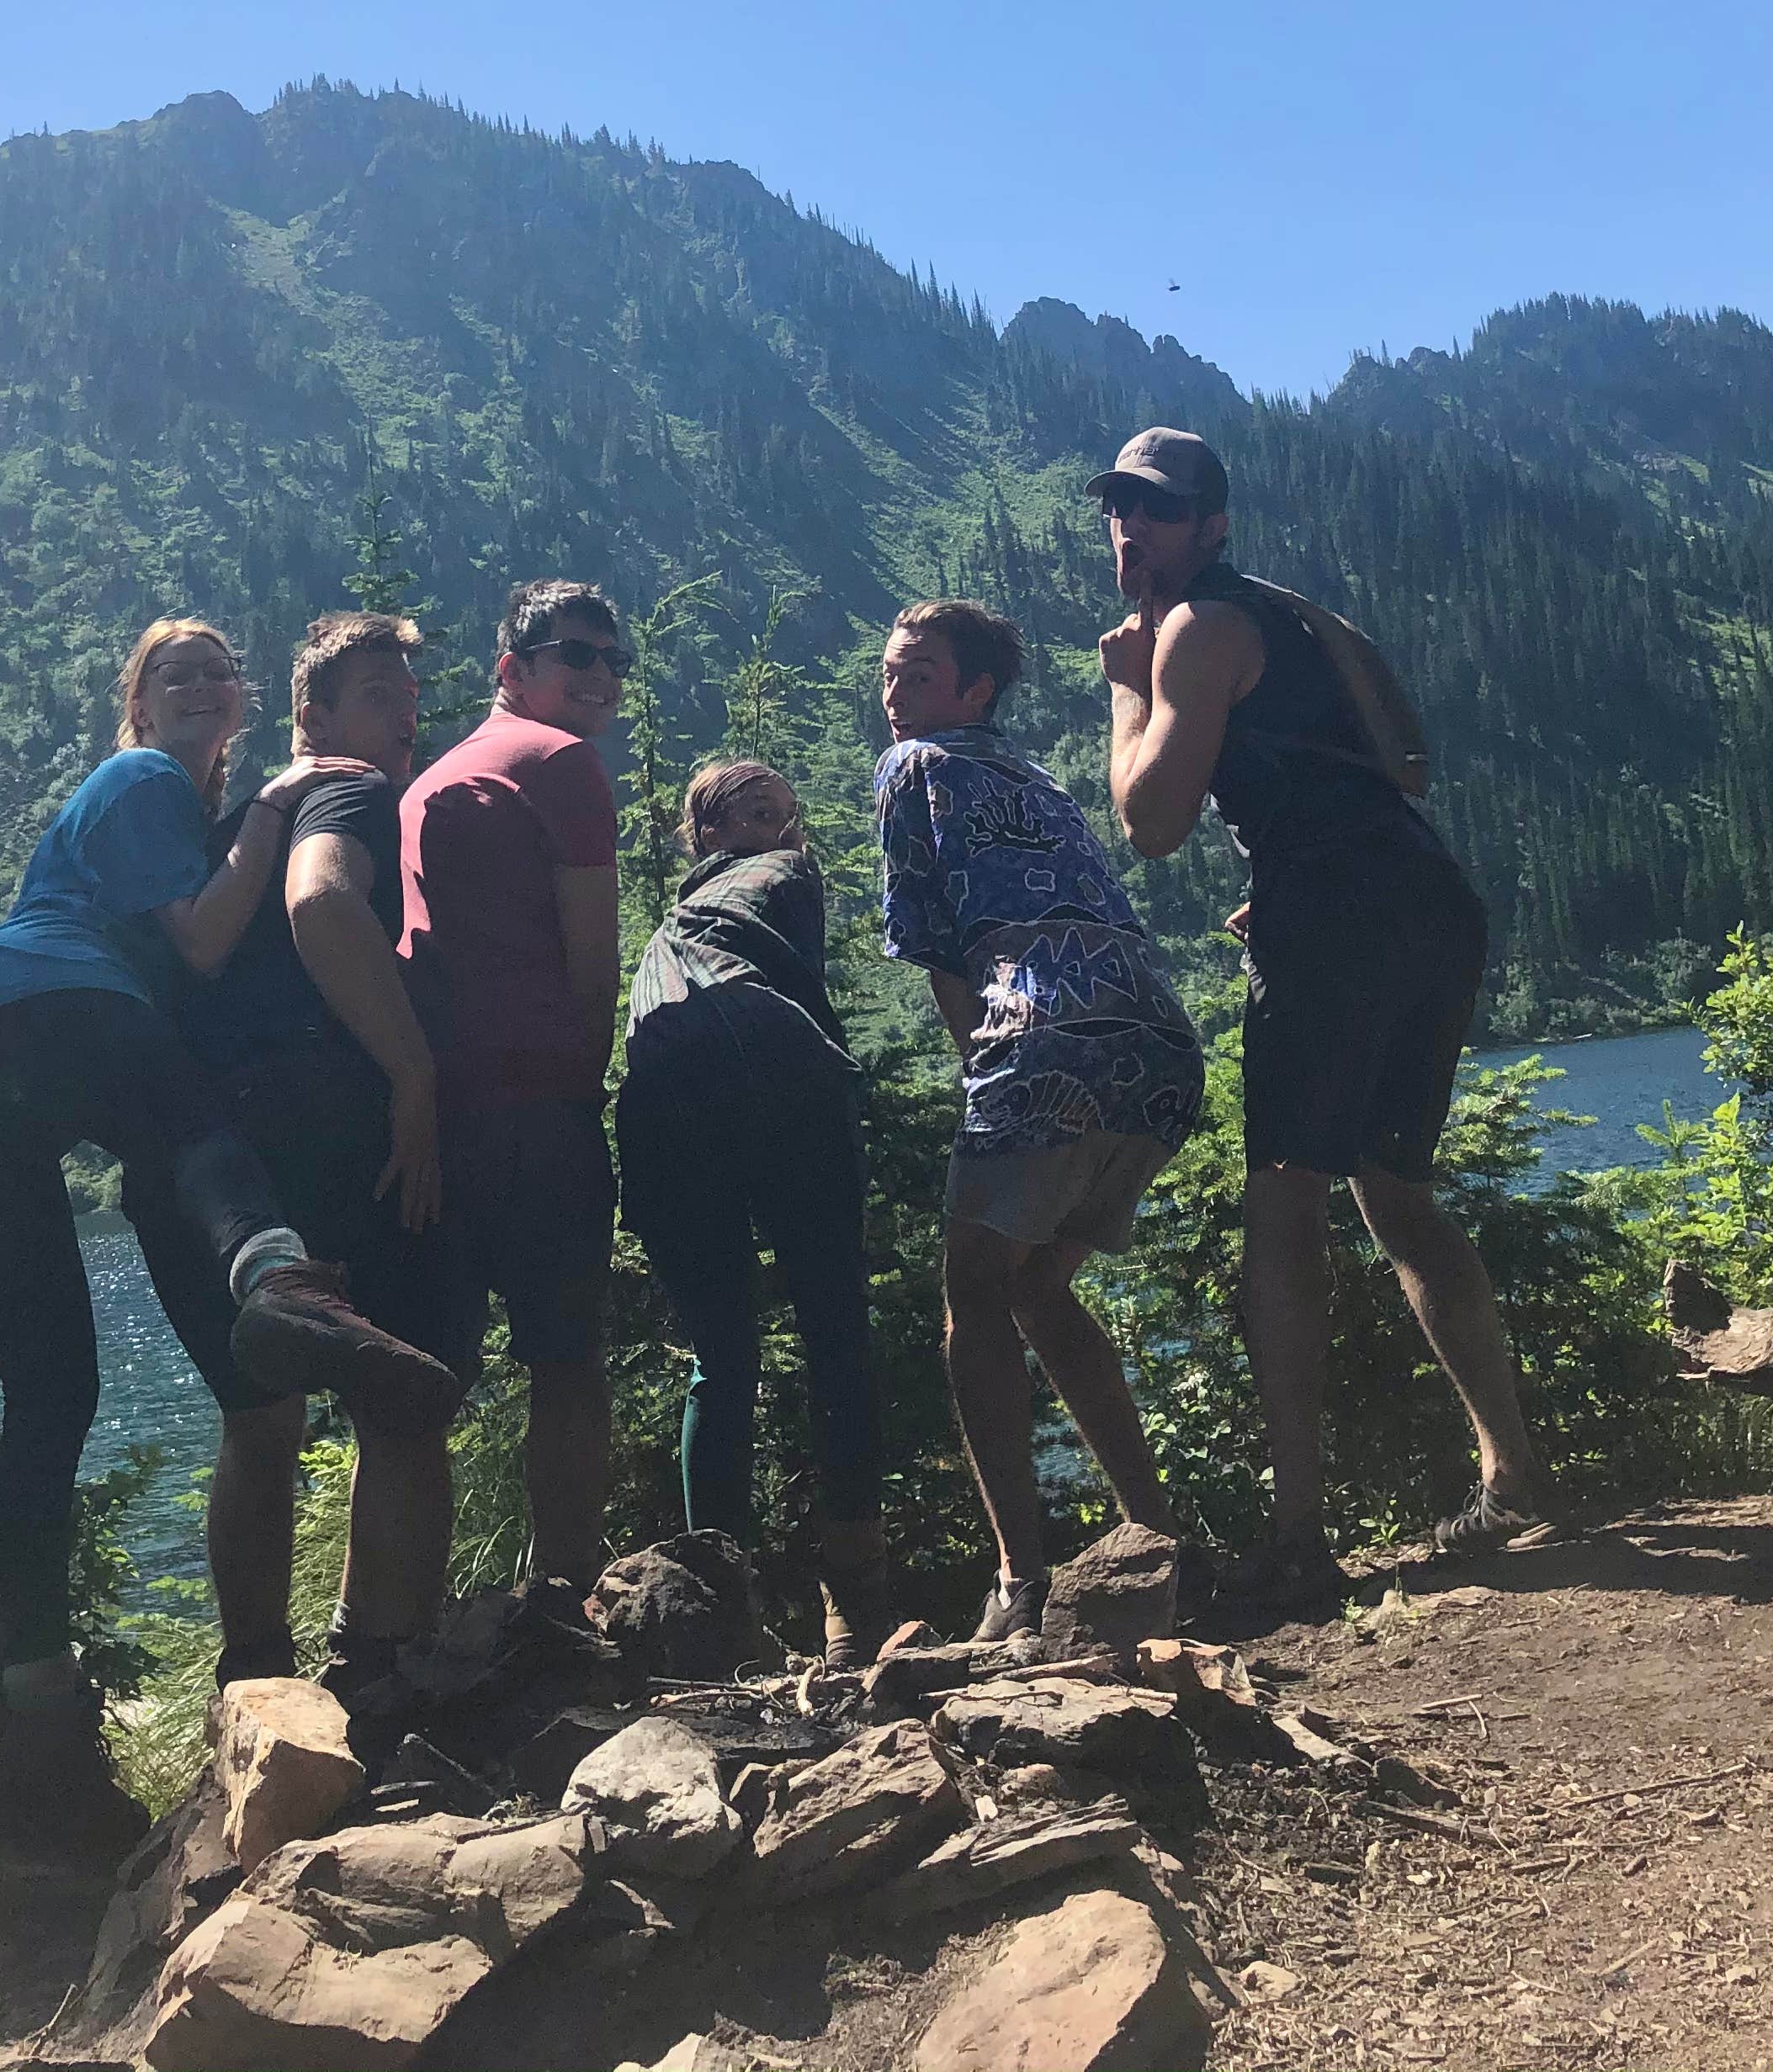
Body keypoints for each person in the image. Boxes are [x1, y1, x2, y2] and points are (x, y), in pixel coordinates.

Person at [0, 618, 459, 1839]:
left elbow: (214, 924)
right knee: (190, 1127)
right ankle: (282, 1279)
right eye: (172, 671)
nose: (200, 681)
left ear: (248, 701)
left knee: (52, 1395)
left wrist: (253, 818)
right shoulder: (147, 779)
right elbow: (201, 945)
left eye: (217, 668)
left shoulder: (186, 826)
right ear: (137, 708)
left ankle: (37, 1713)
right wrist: (281, 803)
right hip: (40, 1001)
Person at [1093, 427, 1546, 1613]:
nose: (1131, 529)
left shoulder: (1196, 631)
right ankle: (1515, 1472)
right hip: (1424, 903)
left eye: (1158, 510)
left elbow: (1150, 821)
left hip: (1341, 916)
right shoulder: (1291, 618)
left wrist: (1126, 689)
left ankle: (1300, 1535)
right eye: (1118, 509)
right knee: (1396, 1187)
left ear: (1213, 524)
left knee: (1284, 1197)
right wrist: (1298, 876)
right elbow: (1384, 766)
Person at [876, 599, 1205, 1647]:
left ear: (974, 691)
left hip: (1045, 1033)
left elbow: (935, 945)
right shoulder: (1035, 775)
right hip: (1157, 1044)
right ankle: (1155, 1539)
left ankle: (1021, 1580)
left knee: (972, 1294)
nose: (896, 691)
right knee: (1034, 1286)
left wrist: (986, 1067)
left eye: (920, 672)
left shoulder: (912, 767)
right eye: (890, 671)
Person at [167, 610, 458, 1707]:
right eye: (378, 695)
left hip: (238, 1158)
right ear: (314, 717)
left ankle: (256, 1678)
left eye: (410, 698)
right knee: (413, 1391)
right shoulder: (347, 791)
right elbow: (324, 900)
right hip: (350, 1128)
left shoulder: (243, 822)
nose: (403, 719)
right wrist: (414, 1073)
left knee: (261, 1412)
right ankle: (382, 1669)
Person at [618, 759, 889, 1666]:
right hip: (760, 1087)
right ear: (705, 832)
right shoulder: (737, 895)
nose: (776, 822)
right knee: (758, 1347)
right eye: (748, 808)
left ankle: (831, 1588)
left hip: (709, 1084)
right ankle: (727, 1593)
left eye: (783, 810)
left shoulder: (781, 878)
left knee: (815, 1336)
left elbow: (765, 909)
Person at [397, 580, 627, 1598]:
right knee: (565, 1360)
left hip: (434, 1115)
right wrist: (586, 1078)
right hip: (539, 1106)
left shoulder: (428, 779)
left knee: (426, 1378)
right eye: (575, 656)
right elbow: (594, 956)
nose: (601, 678)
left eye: (612, 662)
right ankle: (568, 1593)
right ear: (512, 669)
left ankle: (401, 1619)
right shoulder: (560, 764)